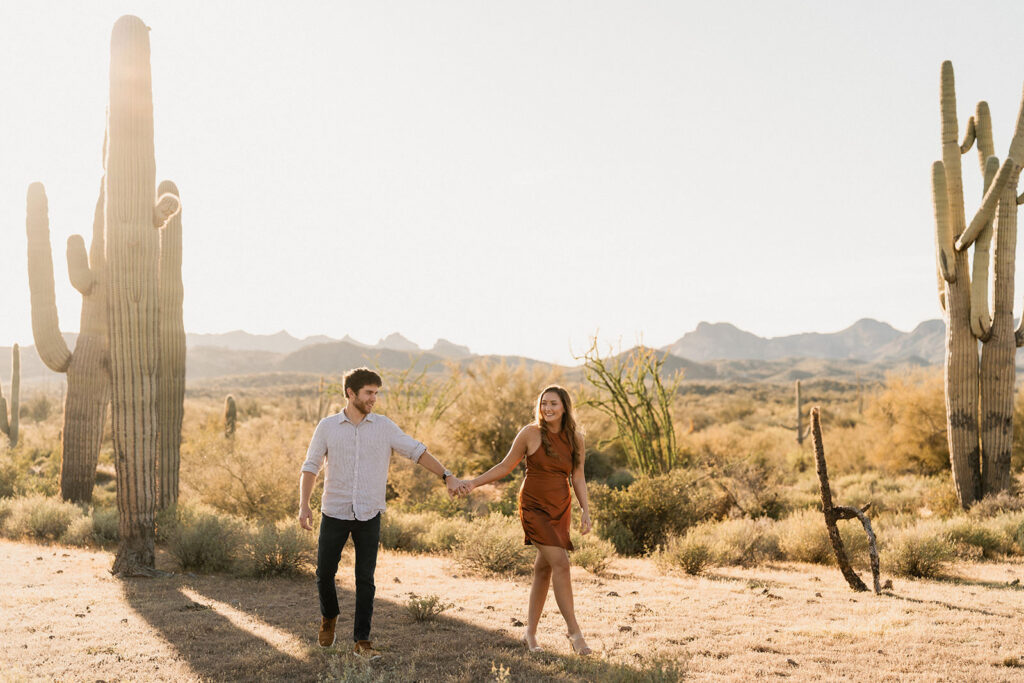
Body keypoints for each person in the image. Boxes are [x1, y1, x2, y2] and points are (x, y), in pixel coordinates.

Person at [298, 367, 464, 656]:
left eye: (376, 393)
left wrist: (446, 475)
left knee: (366, 579)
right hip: (334, 511)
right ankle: (329, 616)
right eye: (369, 393)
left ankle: (362, 640)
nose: (374, 398)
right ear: (351, 393)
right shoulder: (327, 426)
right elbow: (310, 466)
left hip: (369, 513)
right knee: (324, 573)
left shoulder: (384, 426)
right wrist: (304, 505)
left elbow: (417, 451)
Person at [457, 385, 593, 655]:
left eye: (553, 403)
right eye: (544, 404)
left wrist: (585, 509)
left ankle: (529, 633)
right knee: (562, 564)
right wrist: (473, 483)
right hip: (534, 506)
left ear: (564, 406)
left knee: (544, 570)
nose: (548, 408)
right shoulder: (530, 433)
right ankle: (574, 633)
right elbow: (505, 466)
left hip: (561, 508)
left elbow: (577, 476)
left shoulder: (576, 438)